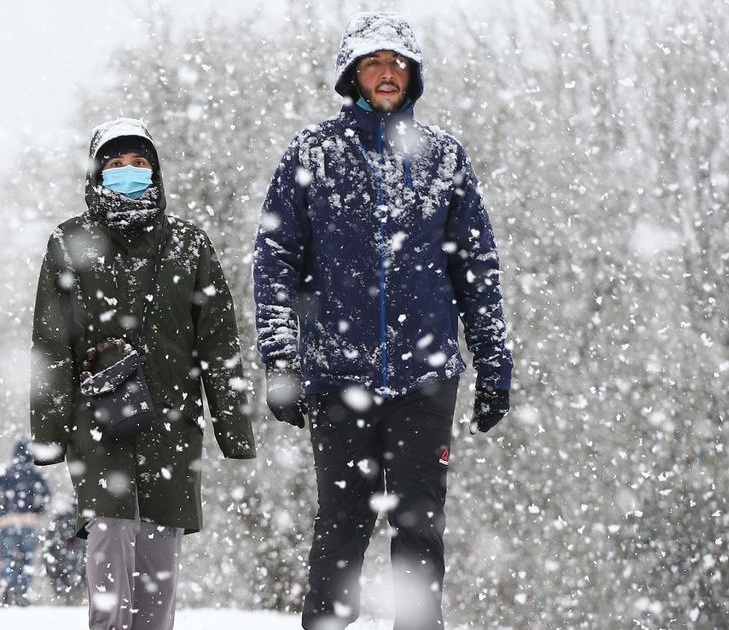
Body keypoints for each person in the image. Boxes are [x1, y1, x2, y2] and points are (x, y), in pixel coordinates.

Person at [253, 12, 514, 630]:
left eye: (397, 62)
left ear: (413, 74)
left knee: (419, 521)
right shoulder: (312, 153)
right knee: (341, 525)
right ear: (352, 75)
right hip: (337, 375)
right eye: (373, 62)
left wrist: (494, 361)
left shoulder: (443, 158)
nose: (386, 73)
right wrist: (281, 358)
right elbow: (273, 263)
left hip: (424, 376)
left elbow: (476, 266)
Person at [30, 117, 257, 630]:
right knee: (108, 546)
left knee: (159, 573)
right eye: (115, 164)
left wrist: (233, 428)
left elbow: (219, 344)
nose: (128, 173)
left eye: (139, 164)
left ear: (155, 173)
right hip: (99, 423)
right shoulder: (69, 243)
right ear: (96, 174)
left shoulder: (189, 245)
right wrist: (48, 435)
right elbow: (52, 345)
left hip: (173, 426)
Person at [0, 438, 52, 606]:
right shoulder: (34, 473)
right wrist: (37, 510)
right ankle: (22, 593)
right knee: (27, 559)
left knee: (7, 558)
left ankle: (9, 590)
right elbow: (46, 494)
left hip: (7, 523)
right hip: (28, 522)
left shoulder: (5, 472)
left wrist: (0, 512)